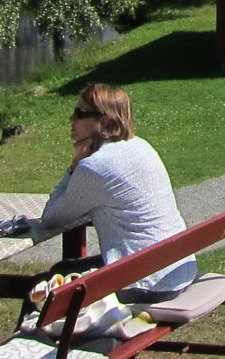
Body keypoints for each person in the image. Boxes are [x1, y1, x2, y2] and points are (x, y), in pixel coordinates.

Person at [37, 83, 195, 298]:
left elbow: (51, 218)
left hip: (144, 282)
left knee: (49, 283)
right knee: (65, 271)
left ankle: (31, 333)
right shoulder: (141, 146)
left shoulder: (95, 166)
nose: (71, 120)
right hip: (176, 270)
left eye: (80, 113)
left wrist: (74, 166)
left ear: (102, 120)